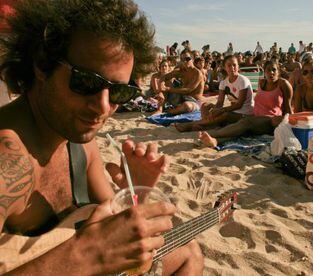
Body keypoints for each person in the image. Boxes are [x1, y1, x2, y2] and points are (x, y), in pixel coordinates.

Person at [0, 1, 204, 275]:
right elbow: (94, 252)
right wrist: (85, 255)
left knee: (189, 252)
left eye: (120, 92)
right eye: (86, 82)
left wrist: (136, 192)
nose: (103, 107)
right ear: (41, 64)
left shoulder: (79, 141)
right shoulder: (7, 162)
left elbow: (116, 227)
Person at [198, 60, 293, 147]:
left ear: (278, 72)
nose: (271, 73)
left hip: (270, 120)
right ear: (264, 72)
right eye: (268, 70)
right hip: (256, 118)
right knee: (242, 128)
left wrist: (287, 125)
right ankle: (215, 141)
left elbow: (288, 109)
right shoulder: (262, 83)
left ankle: (211, 134)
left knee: (245, 122)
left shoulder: (283, 84)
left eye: (274, 70)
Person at [174, 55, 254, 132]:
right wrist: (215, 110)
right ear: (225, 68)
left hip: (245, 114)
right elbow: (220, 102)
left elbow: (239, 104)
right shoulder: (224, 83)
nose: (232, 68)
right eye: (229, 65)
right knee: (205, 106)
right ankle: (208, 125)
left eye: (234, 65)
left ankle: (191, 125)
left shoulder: (243, 81)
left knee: (225, 114)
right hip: (233, 111)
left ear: (238, 66)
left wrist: (221, 110)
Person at [157, 50, 204, 115]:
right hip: (181, 98)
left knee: (187, 106)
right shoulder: (181, 71)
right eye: (182, 59)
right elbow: (164, 77)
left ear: (192, 59)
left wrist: (168, 89)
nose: (185, 61)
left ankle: (171, 111)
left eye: (187, 59)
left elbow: (188, 90)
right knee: (167, 82)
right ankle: (160, 109)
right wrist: (161, 89)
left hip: (194, 101)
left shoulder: (197, 73)